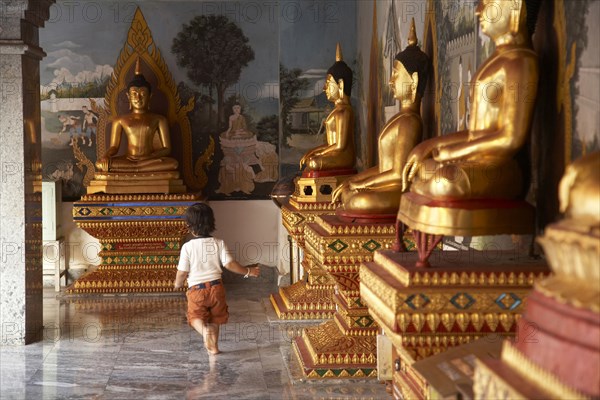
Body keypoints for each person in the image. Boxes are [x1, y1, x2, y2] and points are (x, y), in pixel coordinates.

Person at [402, 0, 539, 200]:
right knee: (424, 170)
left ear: (516, 6)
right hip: (478, 162)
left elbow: (510, 138)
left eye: (487, 2)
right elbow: (476, 134)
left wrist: (452, 153)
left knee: (444, 180)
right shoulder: (497, 60)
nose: (478, 11)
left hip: (504, 169)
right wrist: (429, 146)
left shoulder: (521, 62)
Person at [332, 19, 430, 215]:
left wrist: (361, 186)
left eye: (396, 74)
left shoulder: (410, 122)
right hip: (387, 185)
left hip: (398, 190)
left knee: (358, 200)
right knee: (350, 194)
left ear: (414, 80)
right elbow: (384, 167)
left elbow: (397, 174)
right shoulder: (399, 118)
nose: (391, 81)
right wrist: (354, 181)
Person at [174, 203, 260, 355]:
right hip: (217, 288)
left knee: (195, 318)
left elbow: (182, 272)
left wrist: (177, 283)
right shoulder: (218, 243)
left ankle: (204, 333)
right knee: (215, 318)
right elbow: (230, 264)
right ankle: (214, 348)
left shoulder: (188, 247)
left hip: (196, 291)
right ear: (211, 223)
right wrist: (248, 271)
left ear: (190, 226)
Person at [95, 58, 179, 173]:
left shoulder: (159, 119)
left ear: (150, 96)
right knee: (100, 164)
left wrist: (150, 157)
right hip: (128, 160)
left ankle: (136, 168)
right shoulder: (120, 120)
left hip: (149, 159)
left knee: (173, 164)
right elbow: (114, 147)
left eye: (143, 94)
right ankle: (137, 168)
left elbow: (167, 149)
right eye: (134, 94)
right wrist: (106, 156)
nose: (138, 98)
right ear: (128, 96)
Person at [299, 43, 355, 172]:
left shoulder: (344, 111)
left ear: (340, 84)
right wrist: (313, 151)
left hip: (344, 157)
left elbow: (340, 146)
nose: (324, 88)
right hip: (334, 153)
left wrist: (319, 154)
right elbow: (332, 144)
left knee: (313, 162)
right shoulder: (337, 111)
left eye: (328, 83)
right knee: (310, 160)